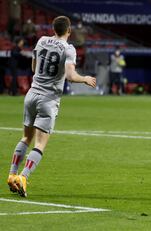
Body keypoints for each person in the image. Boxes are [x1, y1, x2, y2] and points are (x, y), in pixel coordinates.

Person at [7, 16, 96, 197]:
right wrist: (84, 78)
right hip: (48, 99)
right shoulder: (68, 49)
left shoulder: (41, 41)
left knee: (26, 137)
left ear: (53, 29)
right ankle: (23, 177)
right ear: (69, 31)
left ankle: (11, 174)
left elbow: (34, 66)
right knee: (40, 144)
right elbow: (70, 75)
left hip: (31, 95)